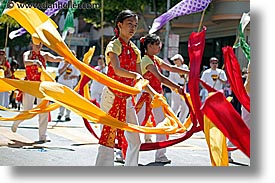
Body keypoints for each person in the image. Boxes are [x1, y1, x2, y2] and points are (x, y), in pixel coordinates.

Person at [95, 10, 145, 166]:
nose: (132, 28)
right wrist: (136, 77)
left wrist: (153, 93)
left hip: (127, 99)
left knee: (135, 139)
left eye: (135, 25)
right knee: (107, 139)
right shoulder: (113, 45)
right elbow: (116, 69)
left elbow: (140, 75)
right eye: (129, 24)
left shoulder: (135, 50)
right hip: (111, 96)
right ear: (119, 25)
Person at [137, 33, 189, 163]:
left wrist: (190, 72)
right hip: (144, 96)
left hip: (157, 97)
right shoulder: (145, 60)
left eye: (158, 44)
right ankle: (121, 151)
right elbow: (160, 78)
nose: (158, 47)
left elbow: (171, 68)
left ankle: (160, 155)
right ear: (148, 46)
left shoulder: (155, 59)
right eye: (155, 44)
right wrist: (176, 87)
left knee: (162, 124)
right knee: (135, 124)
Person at [11, 38, 64, 143]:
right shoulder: (28, 54)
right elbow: (26, 62)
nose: (38, 46)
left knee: (43, 110)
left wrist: (65, 58)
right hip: (30, 85)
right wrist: (35, 62)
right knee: (28, 110)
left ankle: (42, 135)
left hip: (42, 86)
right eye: (36, 44)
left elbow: (55, 58)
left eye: (40, 44)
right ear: (31, 44)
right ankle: (16, 122)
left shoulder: (45, 55)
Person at [56, 50, 80, 122]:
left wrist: (69, 77)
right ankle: (60, 113)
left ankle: (68, 115)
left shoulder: (75, 64)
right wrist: (65, 65)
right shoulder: (63, 62)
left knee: (69, 100)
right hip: (61, 82)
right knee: (61, 99)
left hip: (70, 83)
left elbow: (77, 75)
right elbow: (59, 71)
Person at [169, 53, 189, 123]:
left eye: (176, 60)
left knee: (185, 105)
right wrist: (175, 86)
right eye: (174, 60)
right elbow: (171, 79)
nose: (175, 61)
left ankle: (181, 121)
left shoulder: (185, 67)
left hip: (184, 87)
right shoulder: (173, 68)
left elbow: (187, 78)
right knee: (175, 106)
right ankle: (172, 121)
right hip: (176, 88)